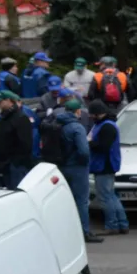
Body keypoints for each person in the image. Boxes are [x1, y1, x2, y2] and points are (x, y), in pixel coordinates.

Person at [53, 98, 100, 242]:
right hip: (77, 168)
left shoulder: (56, 124)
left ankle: (66, 231)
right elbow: (84, 151)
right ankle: (84, 232)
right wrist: (84, 163)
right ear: (78, 111)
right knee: (81, 201)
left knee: (66, 200)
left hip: (61, 166)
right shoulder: (77, 127)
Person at [0, 91, 35, 188]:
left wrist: (15, 162)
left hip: (16, 165)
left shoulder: (20, 118)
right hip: (5, 164)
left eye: (0, 101)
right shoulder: (4, 117)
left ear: (9, 101)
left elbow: (25, 143)